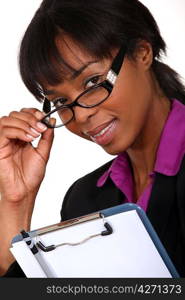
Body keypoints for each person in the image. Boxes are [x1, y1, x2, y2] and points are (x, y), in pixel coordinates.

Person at [0, 0, 185, 277]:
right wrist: (17, 198)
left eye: (92, 82)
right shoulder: (84, 199)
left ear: (143, 53)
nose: (81, 114)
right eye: (60, 100)